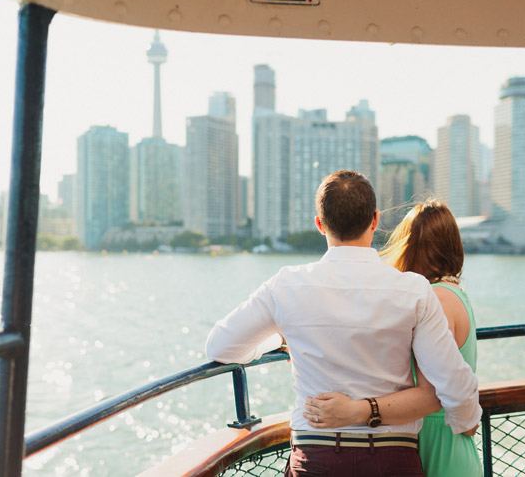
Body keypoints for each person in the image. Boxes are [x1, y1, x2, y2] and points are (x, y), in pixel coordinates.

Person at [205, 171, 481, 477]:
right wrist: (464, 420)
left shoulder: (286, 285)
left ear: (320, 224)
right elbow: (453, 383)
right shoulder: (413, 290)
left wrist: (277, 340)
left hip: (316, 458)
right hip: (392, 459)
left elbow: (220, 346)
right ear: (375, 221)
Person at [303, 199, 482, 476]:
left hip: (433, 441)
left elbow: (440, 381)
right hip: (449, 437)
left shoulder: (435, 299)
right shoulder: (454, 293)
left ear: (408, 246)